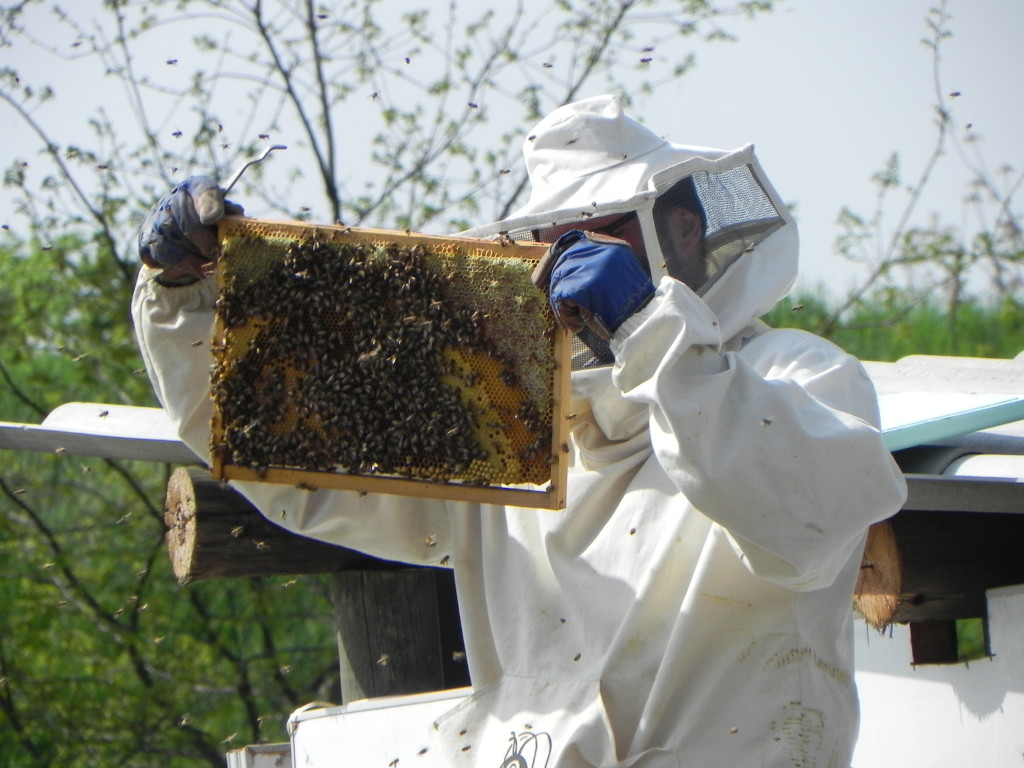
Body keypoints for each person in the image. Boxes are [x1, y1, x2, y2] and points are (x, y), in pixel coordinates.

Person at [133, 94, 907, 767]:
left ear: (682, 230)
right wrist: (181, 297)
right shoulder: (508, 426)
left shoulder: (795, 374)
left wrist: (649, 332)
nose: (568, 263)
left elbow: (807, 518)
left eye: (602, 233)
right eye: (553, 240)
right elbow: (290, 457)